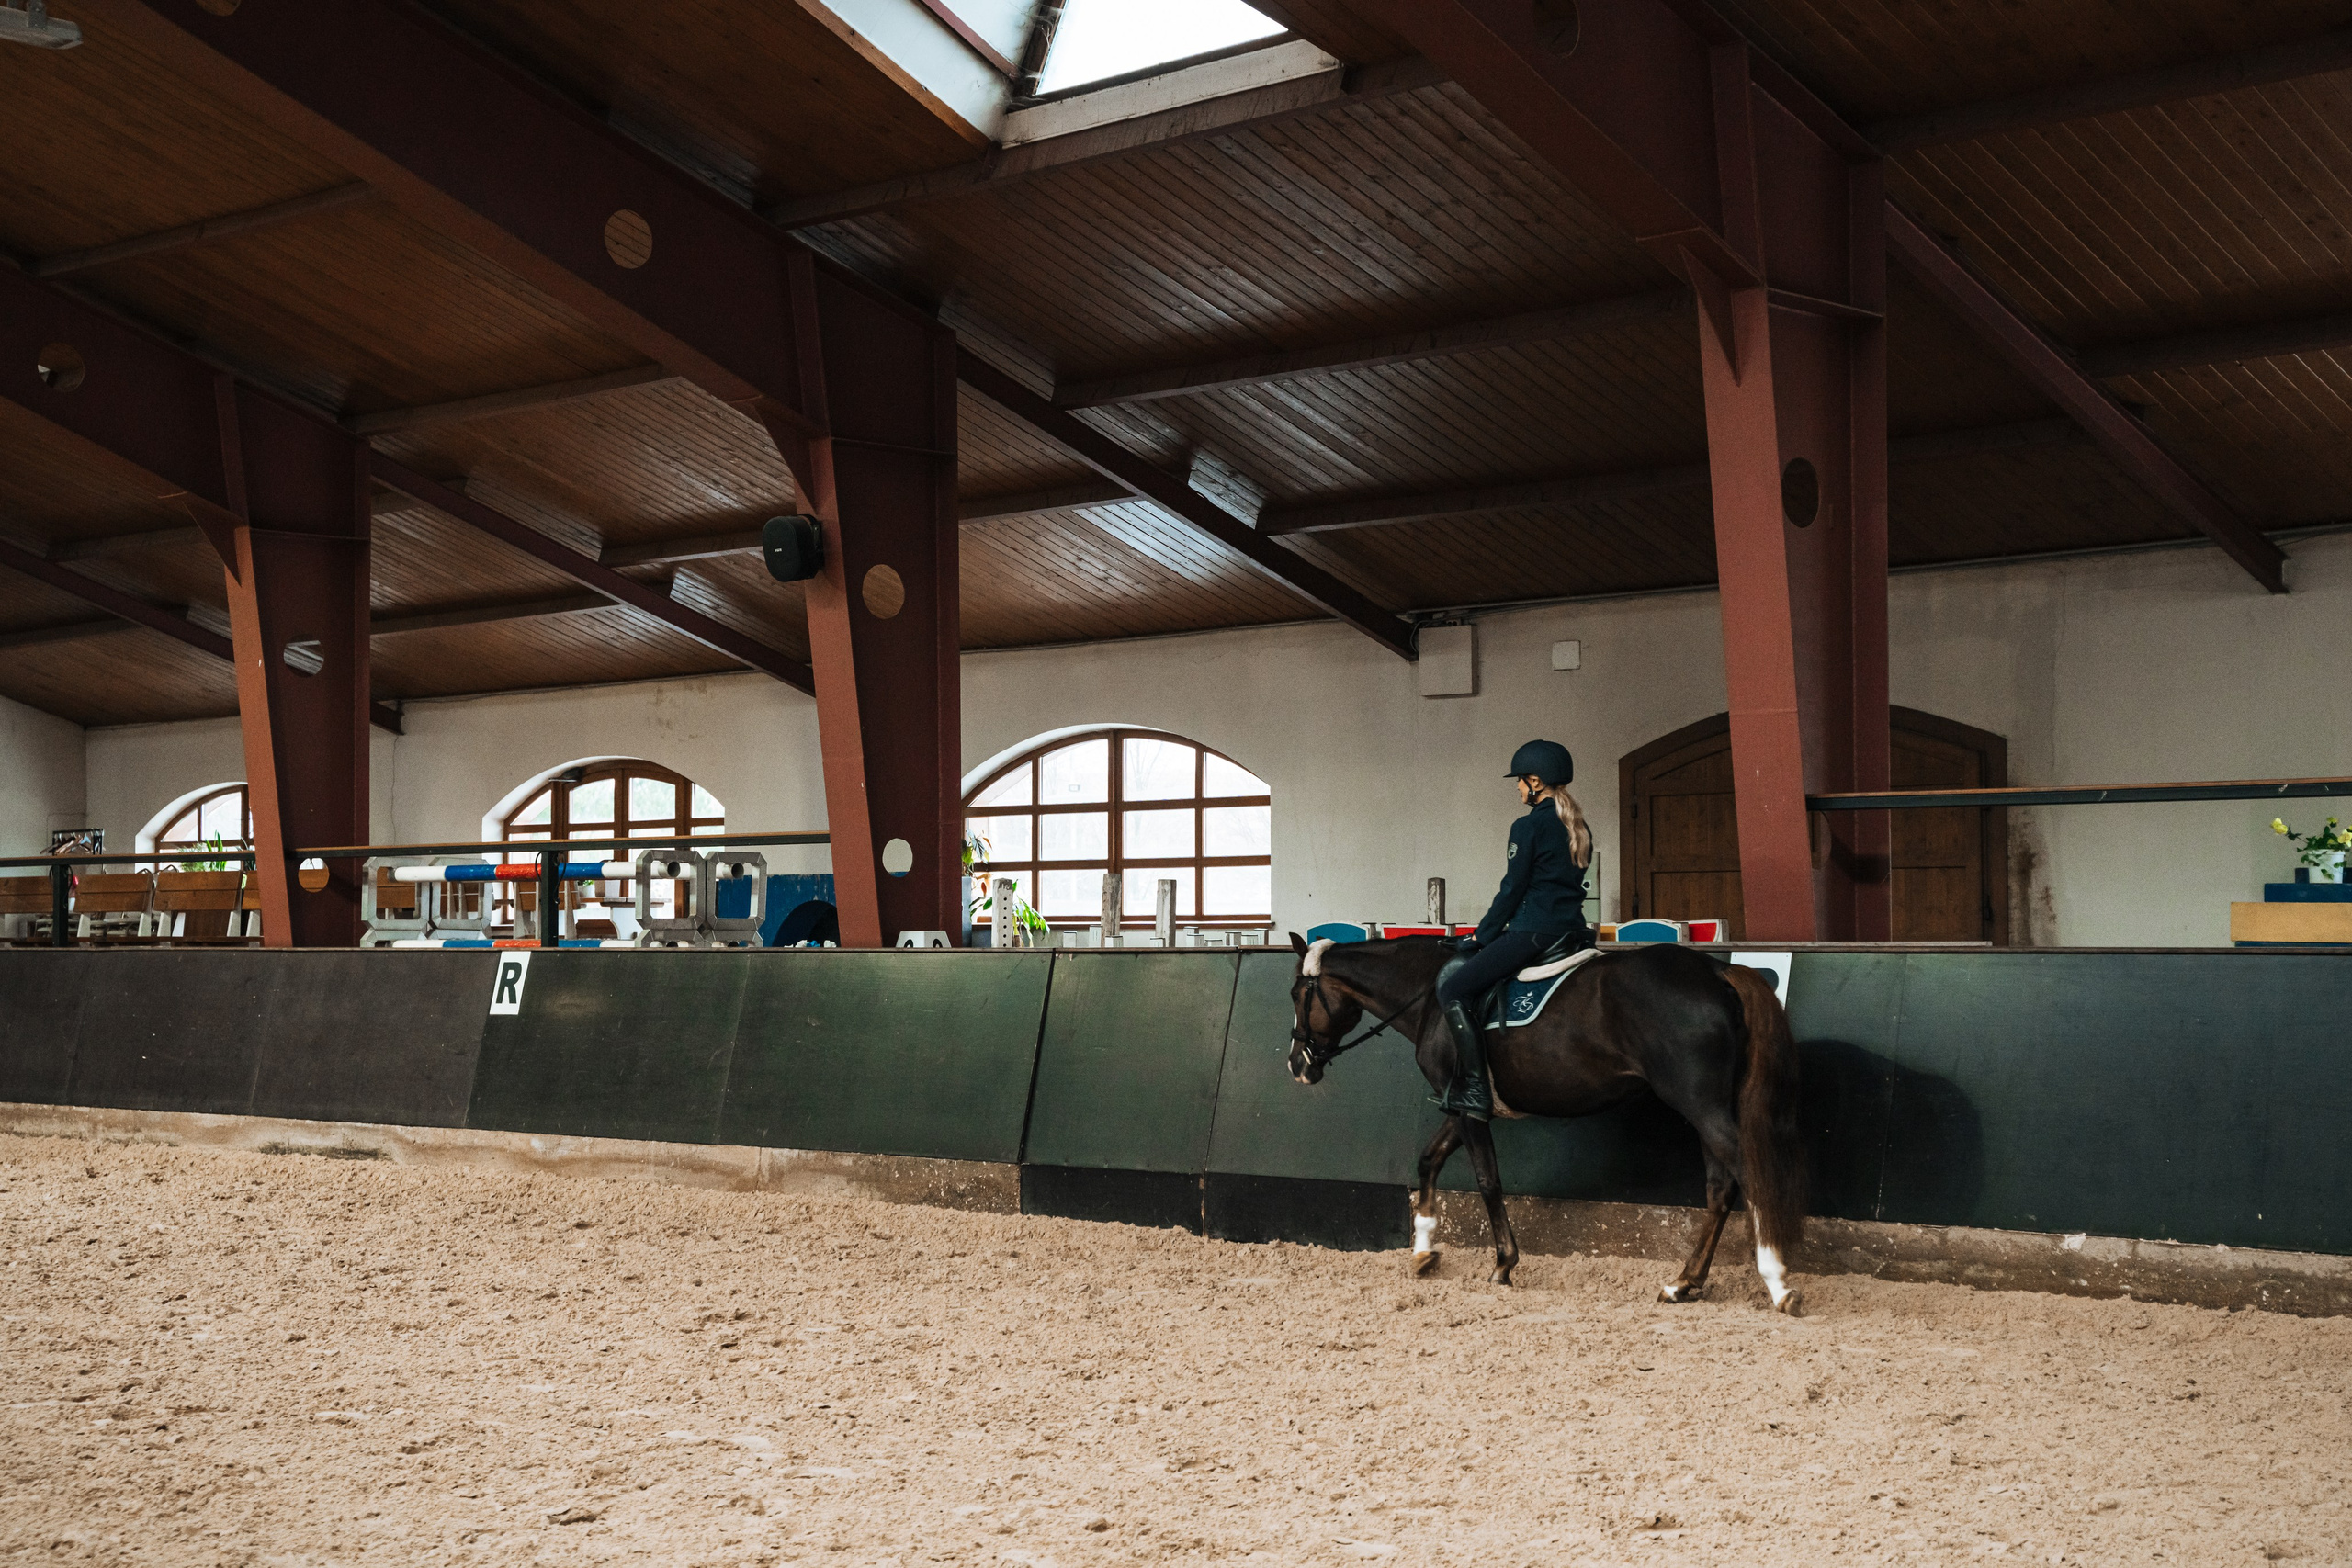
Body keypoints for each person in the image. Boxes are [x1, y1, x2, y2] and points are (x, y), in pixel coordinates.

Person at [1433, 739, 1596, 1120]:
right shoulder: (1577, 825)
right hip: (1570, 930)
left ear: (1536, 781)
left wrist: (1480, 936)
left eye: (1520, 781)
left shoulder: (1528, 826)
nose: (1517, 788)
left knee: (1453, 988)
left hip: (1533, 931)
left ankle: (1475, 1090)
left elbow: (1512, 890)